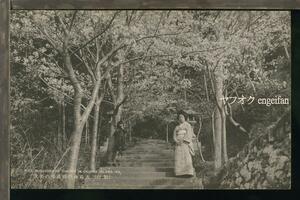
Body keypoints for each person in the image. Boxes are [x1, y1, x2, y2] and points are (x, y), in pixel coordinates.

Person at [173, 112, 196, 177]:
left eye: (182, 117)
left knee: (186, 157)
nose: (181, 118)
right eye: (179, 117)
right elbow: (174, 135)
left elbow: (189, 134)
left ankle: (188, 172)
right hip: (178, 144)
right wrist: (176, 141)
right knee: (179, 157)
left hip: (185, 143)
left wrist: (183, 140)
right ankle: (179, 172)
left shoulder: (187, 125)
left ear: (185, 118)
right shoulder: (177, 127)